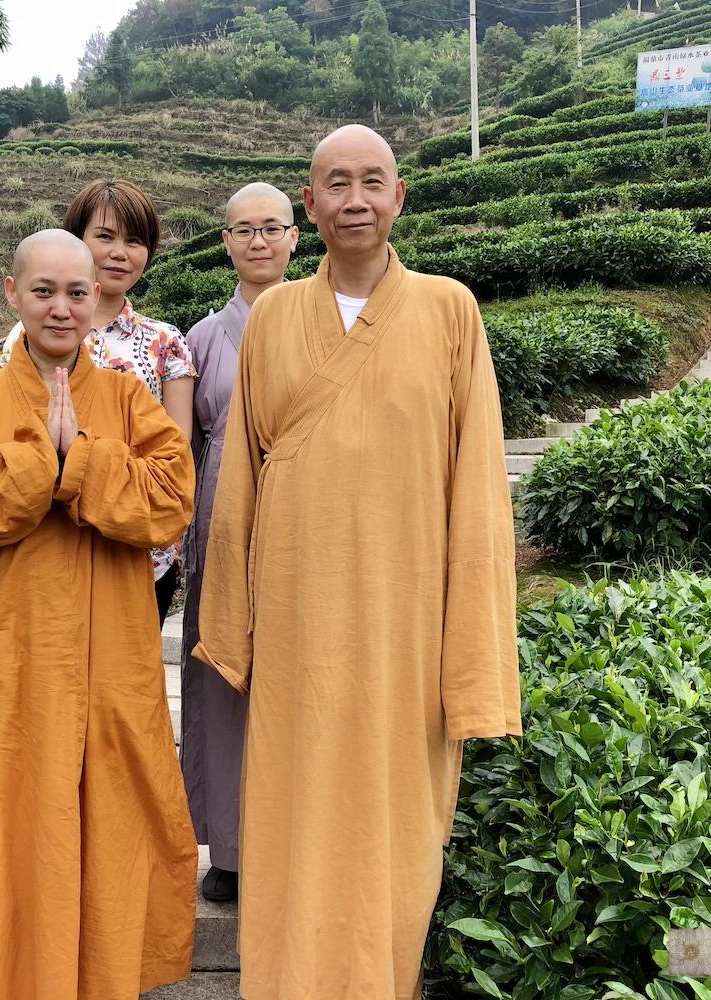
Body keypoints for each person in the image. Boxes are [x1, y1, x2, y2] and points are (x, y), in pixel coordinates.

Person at [193, 125, 522, 999]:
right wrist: (233, 621)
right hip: (301, 622)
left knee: (395, 826)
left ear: (399, 196)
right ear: (310, 205)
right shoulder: (273, 320)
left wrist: (474, 653)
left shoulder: (451, 309)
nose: (355, 200)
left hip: (404, 622)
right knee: (296, 818)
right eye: (335, 184)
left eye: (372, 181)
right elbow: (240, 497)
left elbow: (479, 485)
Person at [0, 229, 197, 1000]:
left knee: (110, 817)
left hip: (110, 657)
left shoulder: (130, 398)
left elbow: (171, 502)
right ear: (13, 295)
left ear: (97, 299)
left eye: (77, 293)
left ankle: (99, 979)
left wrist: (86, 463)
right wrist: (48, 462)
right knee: (8, 817)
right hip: (8, 661)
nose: (62, 308)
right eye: (44, 291)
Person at [0, 179, 197, 622]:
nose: (119, 252)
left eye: (135, 240)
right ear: (77, 240)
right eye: (105, 236)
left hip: (139, 547)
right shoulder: (23, 339)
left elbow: (175, 452)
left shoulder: (164, 341)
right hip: (47, 541)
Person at [181, 182, 299, 905]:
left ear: (295, 237)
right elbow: (182, 446)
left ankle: (295, 840)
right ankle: (228, 847)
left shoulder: (323, 325)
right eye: (243, 229)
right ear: (224, 242)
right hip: (219, 536)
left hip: (299, 538)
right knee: (220, 684)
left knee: (296, 686)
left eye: (271, 228)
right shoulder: (198, 338)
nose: (258, 241)